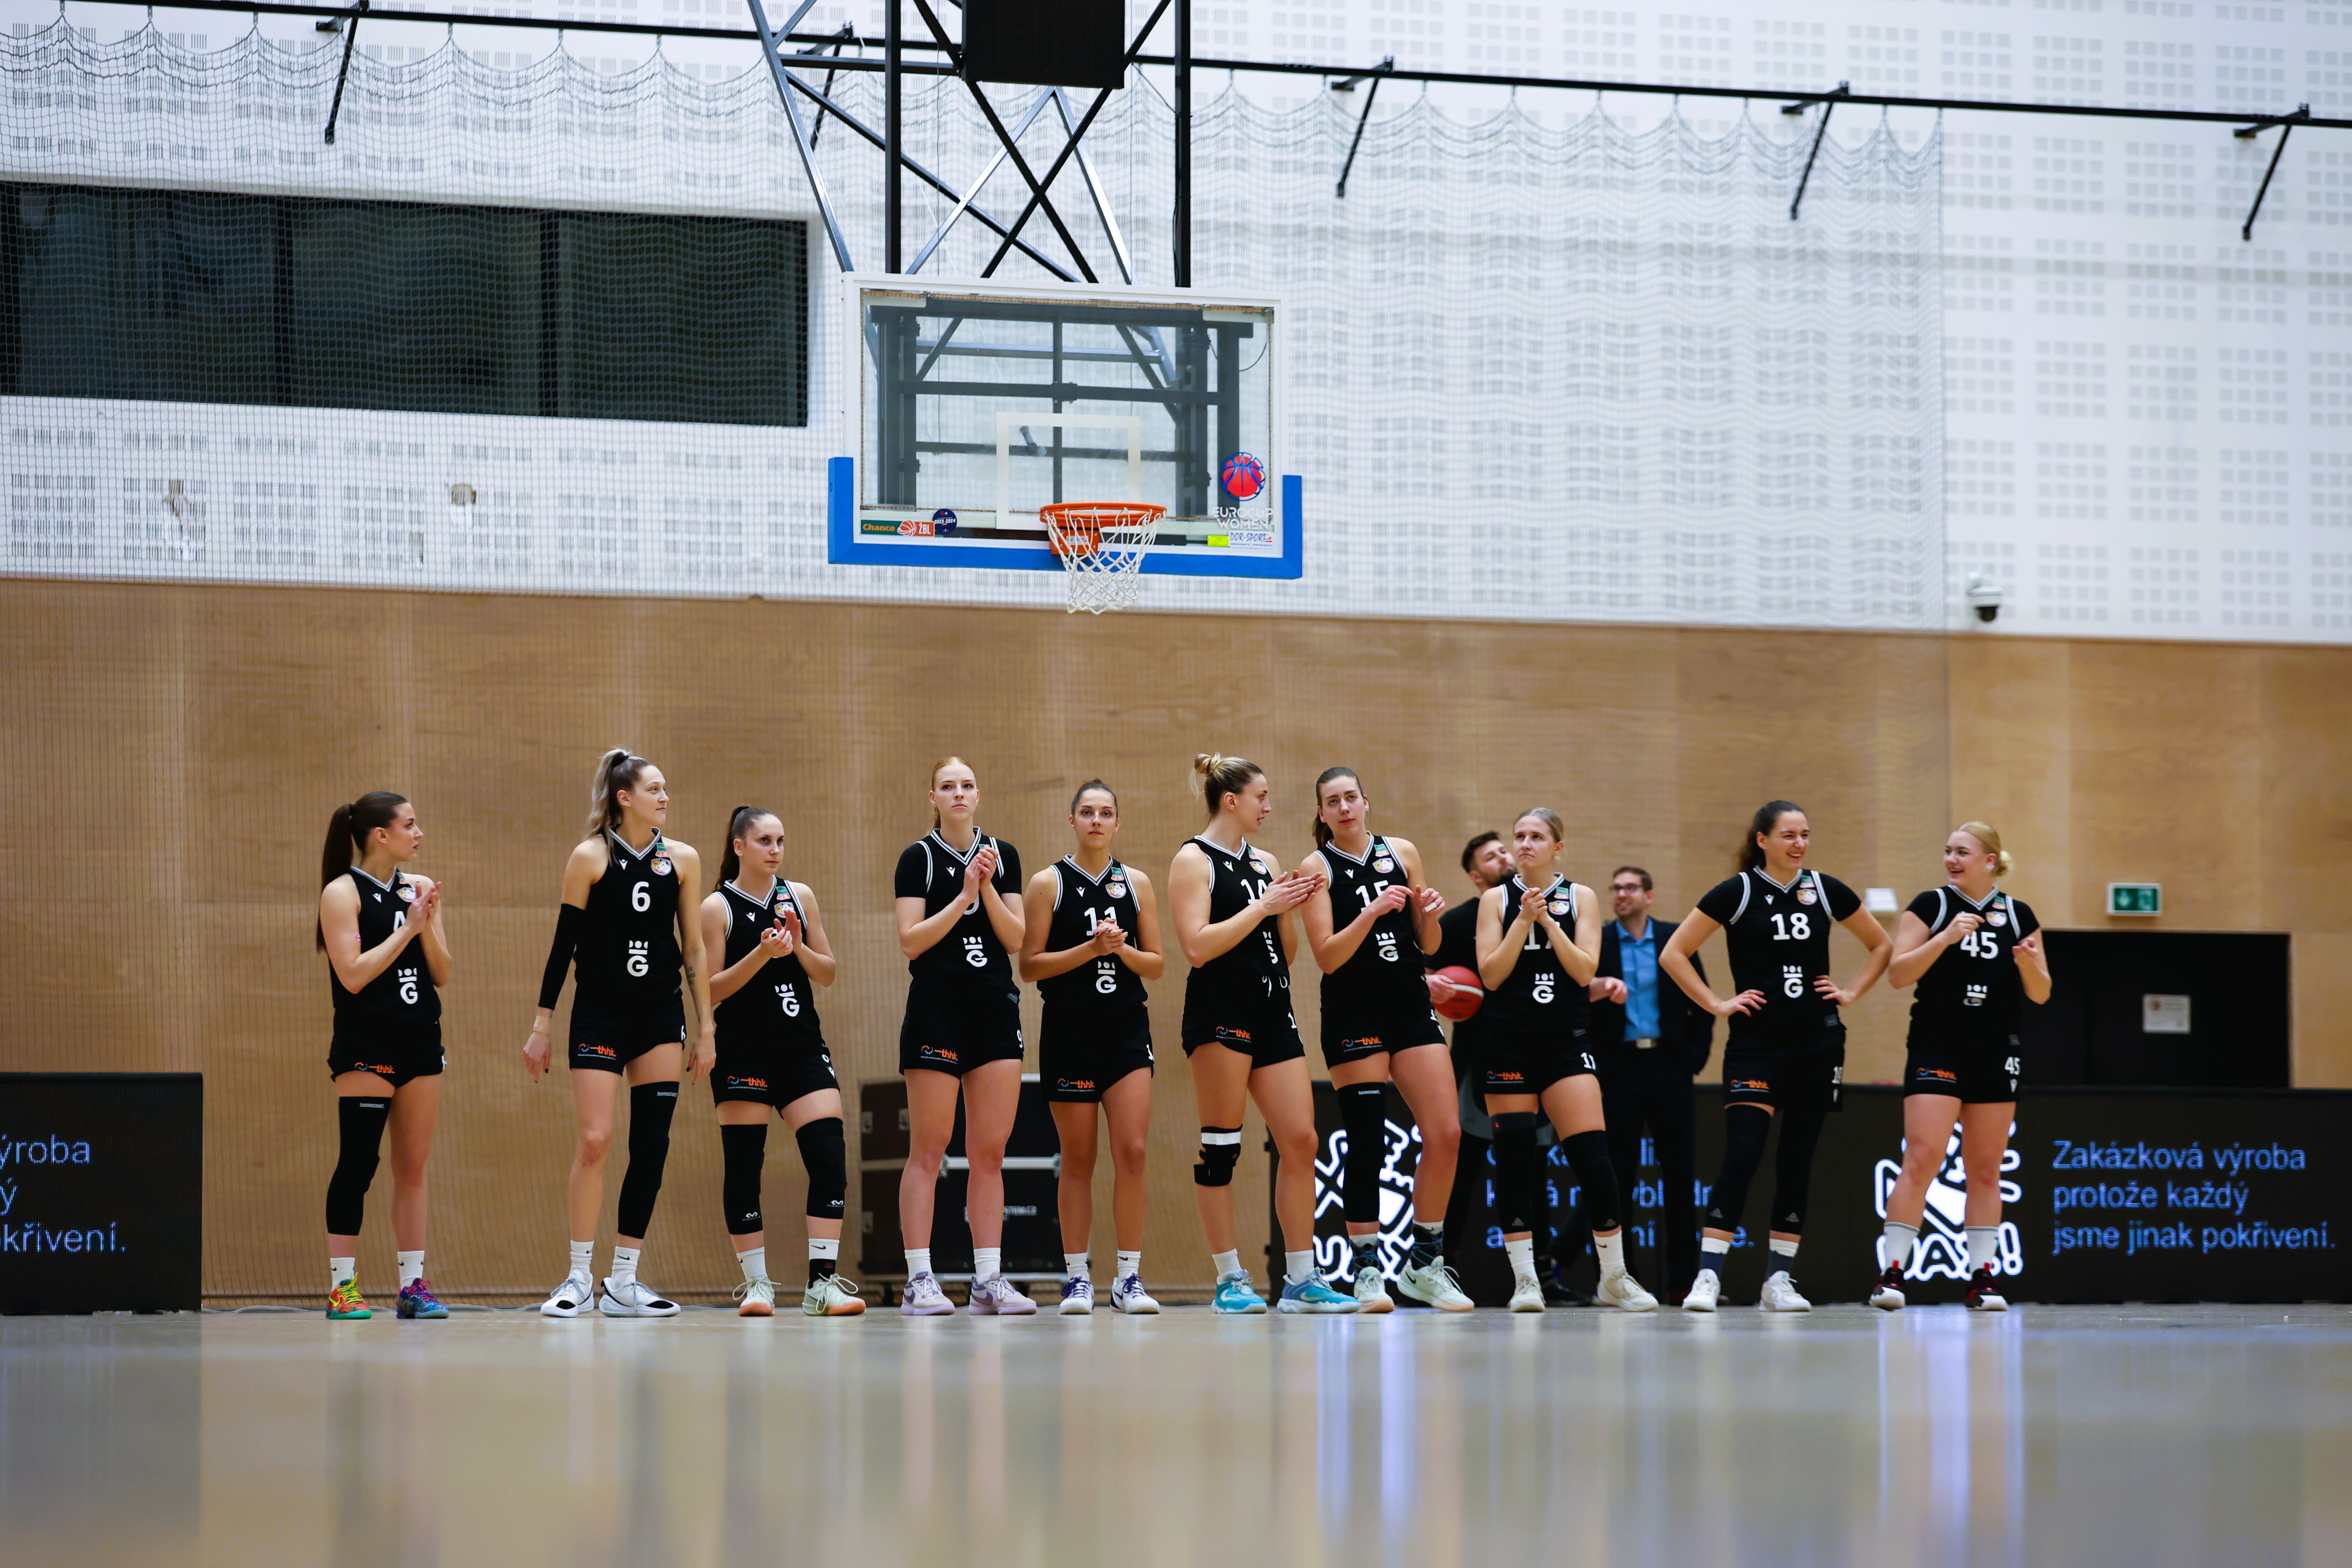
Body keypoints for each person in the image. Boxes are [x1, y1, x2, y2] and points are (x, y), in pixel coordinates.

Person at [1660, 800, 1891, 1313]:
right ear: (1762, 840)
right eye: (1789, 835)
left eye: (1805, 834)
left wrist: (1850, 992)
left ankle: (1779, 1281)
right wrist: (1717, 1003)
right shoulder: (1737, 892)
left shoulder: (1825, 889)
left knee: (1797, 1159)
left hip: (1817, 1043)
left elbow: (1881, 945)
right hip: (1756, 1045)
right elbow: (1673, 953)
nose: (1799, 843)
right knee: (1742, 1155)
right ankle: (1708, 1276)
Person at [525, 750, 715, 1319]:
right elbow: (563, 945)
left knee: (651, 1145)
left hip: (659, 1016)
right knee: (596, 1139)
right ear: (624, 798)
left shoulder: (682, 859)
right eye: (654, 789)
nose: (665, 797)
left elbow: (694, 948)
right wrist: (542, 1025)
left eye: (666, 788)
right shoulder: (590, 856)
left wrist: (706, 1027)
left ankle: (624, 1280)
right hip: (600, 1016)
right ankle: (578, 1276)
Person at [1169, 753, 1358, 1315]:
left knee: (1302, 1140)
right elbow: (1197, 947)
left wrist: (1287, 908)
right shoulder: (1192, 860)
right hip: (1220, 1010)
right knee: (1221, 1150)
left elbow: (1288, 952)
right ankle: (1229, 1279)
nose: (1269, 807)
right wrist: (1263, 905)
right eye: (1262, 797)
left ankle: (1301, 1279)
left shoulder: (1266, 861)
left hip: (1273, 1009)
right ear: (1232, 801)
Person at [1299, 769, 1473, 1312]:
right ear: (1323, 813)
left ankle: (1424, 1264)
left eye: (1351, 797)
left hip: (1409, 1006)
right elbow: (1327, 956)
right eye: (1333, 801)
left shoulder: (1402, 851)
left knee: (1446, 1133)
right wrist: (1372, 911)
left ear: (1366, 802)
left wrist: (1431, 913)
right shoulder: (1317, 867)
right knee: (1367, 1139)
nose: (1344, 807)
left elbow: (1430, 943)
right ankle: (1367, 1269)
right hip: (1353, 1011)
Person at [1474, 810, 1658, 1314]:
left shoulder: (1582, 897)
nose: (1525, 844)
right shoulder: (1495, 900)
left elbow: (1583, 970)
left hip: (1565, 1041)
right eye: (1519, 836)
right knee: (1515, 1161)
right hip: (1508, 1042)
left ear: (1558, 846)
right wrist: (1522, 920)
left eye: (1537, 836)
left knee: (1594, 1159)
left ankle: (1614, 1276)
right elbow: (1491, 975)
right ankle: (1526, 1281)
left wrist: (1548, 920)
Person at [1871, 822, 2051, 1313]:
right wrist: (1945, 939)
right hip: (1939, 1044)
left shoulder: (2019, 914)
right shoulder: (1930, 905)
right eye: (1948, 851)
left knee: (1986, 1168)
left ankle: (1982, 1278)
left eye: (1962, 852)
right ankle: (1892, 1273)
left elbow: (2041, 992)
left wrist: (2028, 963)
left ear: (1990, 860)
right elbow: (1898, 974)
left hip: (1995, 1048)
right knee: (1924, 1155)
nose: (1952, 859)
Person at [700, 806, 863, 1319]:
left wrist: (796, 949)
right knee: (744, 1167)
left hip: (800, 1047)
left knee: (829, 1158)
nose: (775, 850)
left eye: (781, 841)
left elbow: (828, 971)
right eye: (765, 841)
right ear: (740, 846)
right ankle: (757, 1285)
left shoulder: (800, 896)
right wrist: (761, 955)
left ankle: (822, 1285)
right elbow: (709, 989)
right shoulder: (716, 907)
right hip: (743, 1050)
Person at [893, 757, 1034, 1317]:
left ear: (979, 796)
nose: (959, 793)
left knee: (990, 1152)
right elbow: (911, 941)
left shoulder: (1004, 854)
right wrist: (963, 894)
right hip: (938, 1009)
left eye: (967, 785)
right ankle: (919, 1279)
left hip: (994, 1009)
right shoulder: (918, 858)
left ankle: (987, 1281)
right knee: (929, 1148)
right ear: (933, 797)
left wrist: (989, 886)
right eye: (948, 786)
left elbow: (1016, 938)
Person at [1018, 780, 1165, 1316]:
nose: (1097, 821)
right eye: (1087, 812)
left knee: (1133, 1151)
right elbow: (1029, 966)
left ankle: (1128, 1278)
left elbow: (1157, 964)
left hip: (1126, 1030)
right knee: (1078, 1158)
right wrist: (1090, 948)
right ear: (1073, 821)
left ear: (1118, 823)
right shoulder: (1047, 883)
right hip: (1070, 1031)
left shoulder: (1137, 883)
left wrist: (1120, 951)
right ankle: (1077, 1278)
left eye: (1106, 813)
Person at [316, 792, 452, 1321]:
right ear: (381, 835)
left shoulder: (419, 887)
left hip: (420, 1041)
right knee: (358, 1163)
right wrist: (409, 928)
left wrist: (428, 921)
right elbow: (352, 975)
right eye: (410, 825)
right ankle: (342, 1288)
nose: (419, 833)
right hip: (366, 1046)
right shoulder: (341, 893)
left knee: (412, 1167)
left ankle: (413, 1286)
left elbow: (442, 972)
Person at [1587, 865, 1715, 1303]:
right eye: (1616, 888)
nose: (1622, 894)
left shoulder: (1673, 938)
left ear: (1649, 895)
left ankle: (1683, 1281)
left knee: (1679, 1174)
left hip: (1669, 1064)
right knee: (1618, 1175)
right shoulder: (1599, 940)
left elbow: (1703, 999)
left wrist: (1692, 1059)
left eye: (1631, 888)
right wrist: (1598, 1067)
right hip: (1618, 1067)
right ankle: (1623, 1278)